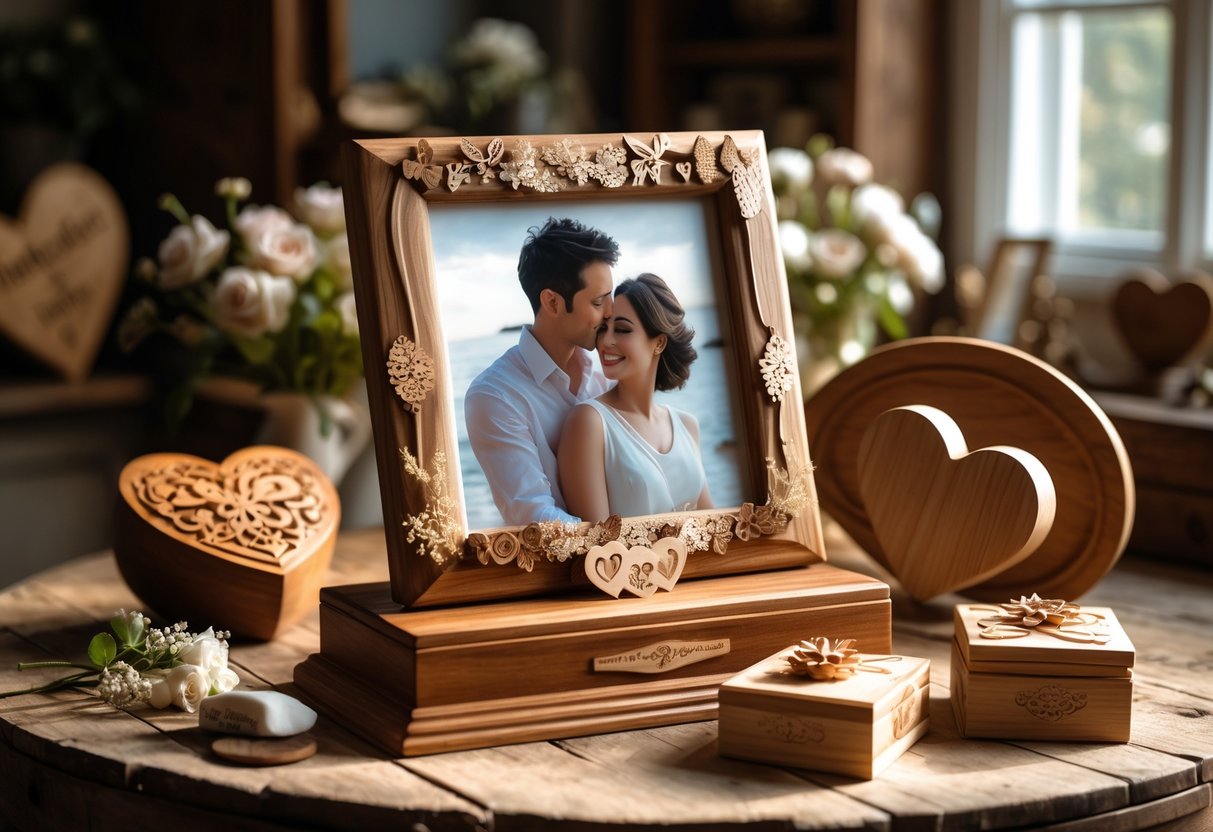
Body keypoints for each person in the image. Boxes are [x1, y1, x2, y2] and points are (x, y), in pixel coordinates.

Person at [464, 217, 620, 525]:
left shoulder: (607, 374)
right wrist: (621, 543)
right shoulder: (495, 397)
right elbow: (535, 517)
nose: (612, 311)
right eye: (599, 301)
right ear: (552, 302)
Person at [559, 273, 712, 521]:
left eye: (622, 329)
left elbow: (714, 525)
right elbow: (597, 546)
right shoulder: (589, 422)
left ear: (659, 342)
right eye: (603, 329)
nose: (606, 342)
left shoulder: (687, 425)